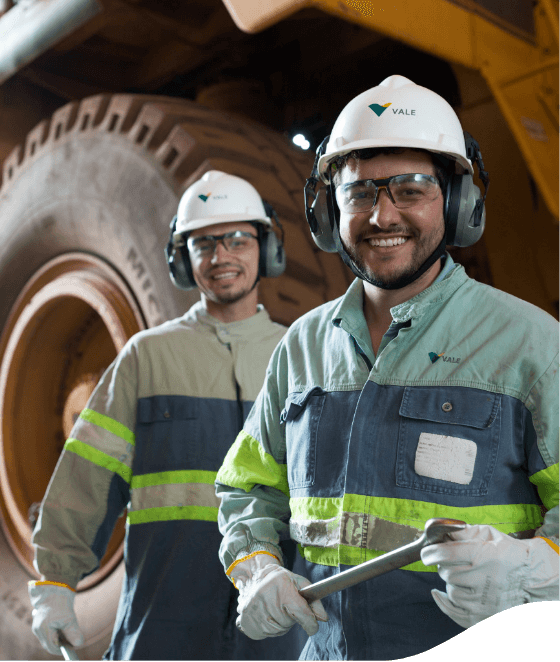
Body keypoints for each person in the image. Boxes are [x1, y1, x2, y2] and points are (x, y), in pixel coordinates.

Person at [215, 75, 560, 660]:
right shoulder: (303, 346)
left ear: (457, 203)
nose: (382, 216)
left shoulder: (530, 343)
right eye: (359, 194)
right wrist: (256, 569)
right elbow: (247, 487)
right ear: (330, 212)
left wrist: (531, 567)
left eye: (411, 190)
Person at [28, 170, 305, 660]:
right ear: (182, 260)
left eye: (237, 239)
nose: (221, 256)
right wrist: (54, 582)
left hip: (278, 625)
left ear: (266, 248)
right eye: (203, 244)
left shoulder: (300, 354)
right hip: (164, 621)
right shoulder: (146, 358)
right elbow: (86, 477)